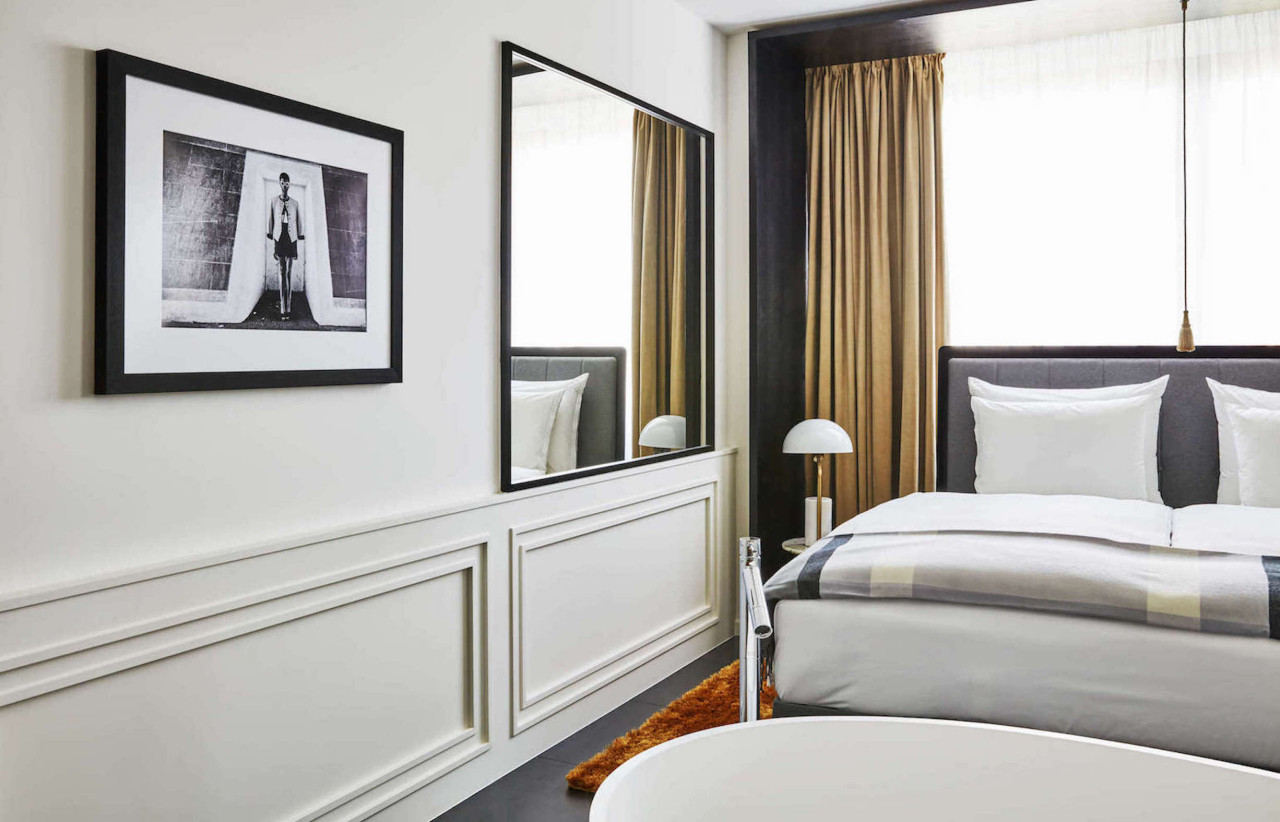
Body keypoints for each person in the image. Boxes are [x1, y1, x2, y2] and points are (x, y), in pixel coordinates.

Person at [266, 172, 304, 319]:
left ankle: (289, 307)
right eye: (282, 182)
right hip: (279, 238)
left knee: (289, 272)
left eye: (287, 182)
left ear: (289, 184)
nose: (285, 185)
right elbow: (271, 220)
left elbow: (298, 221)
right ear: (279, 183)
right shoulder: (273, 201)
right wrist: (271, 234)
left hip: (291, 238)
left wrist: (299, 235)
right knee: (282, 272)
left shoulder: (295, 203)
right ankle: (283, 309)